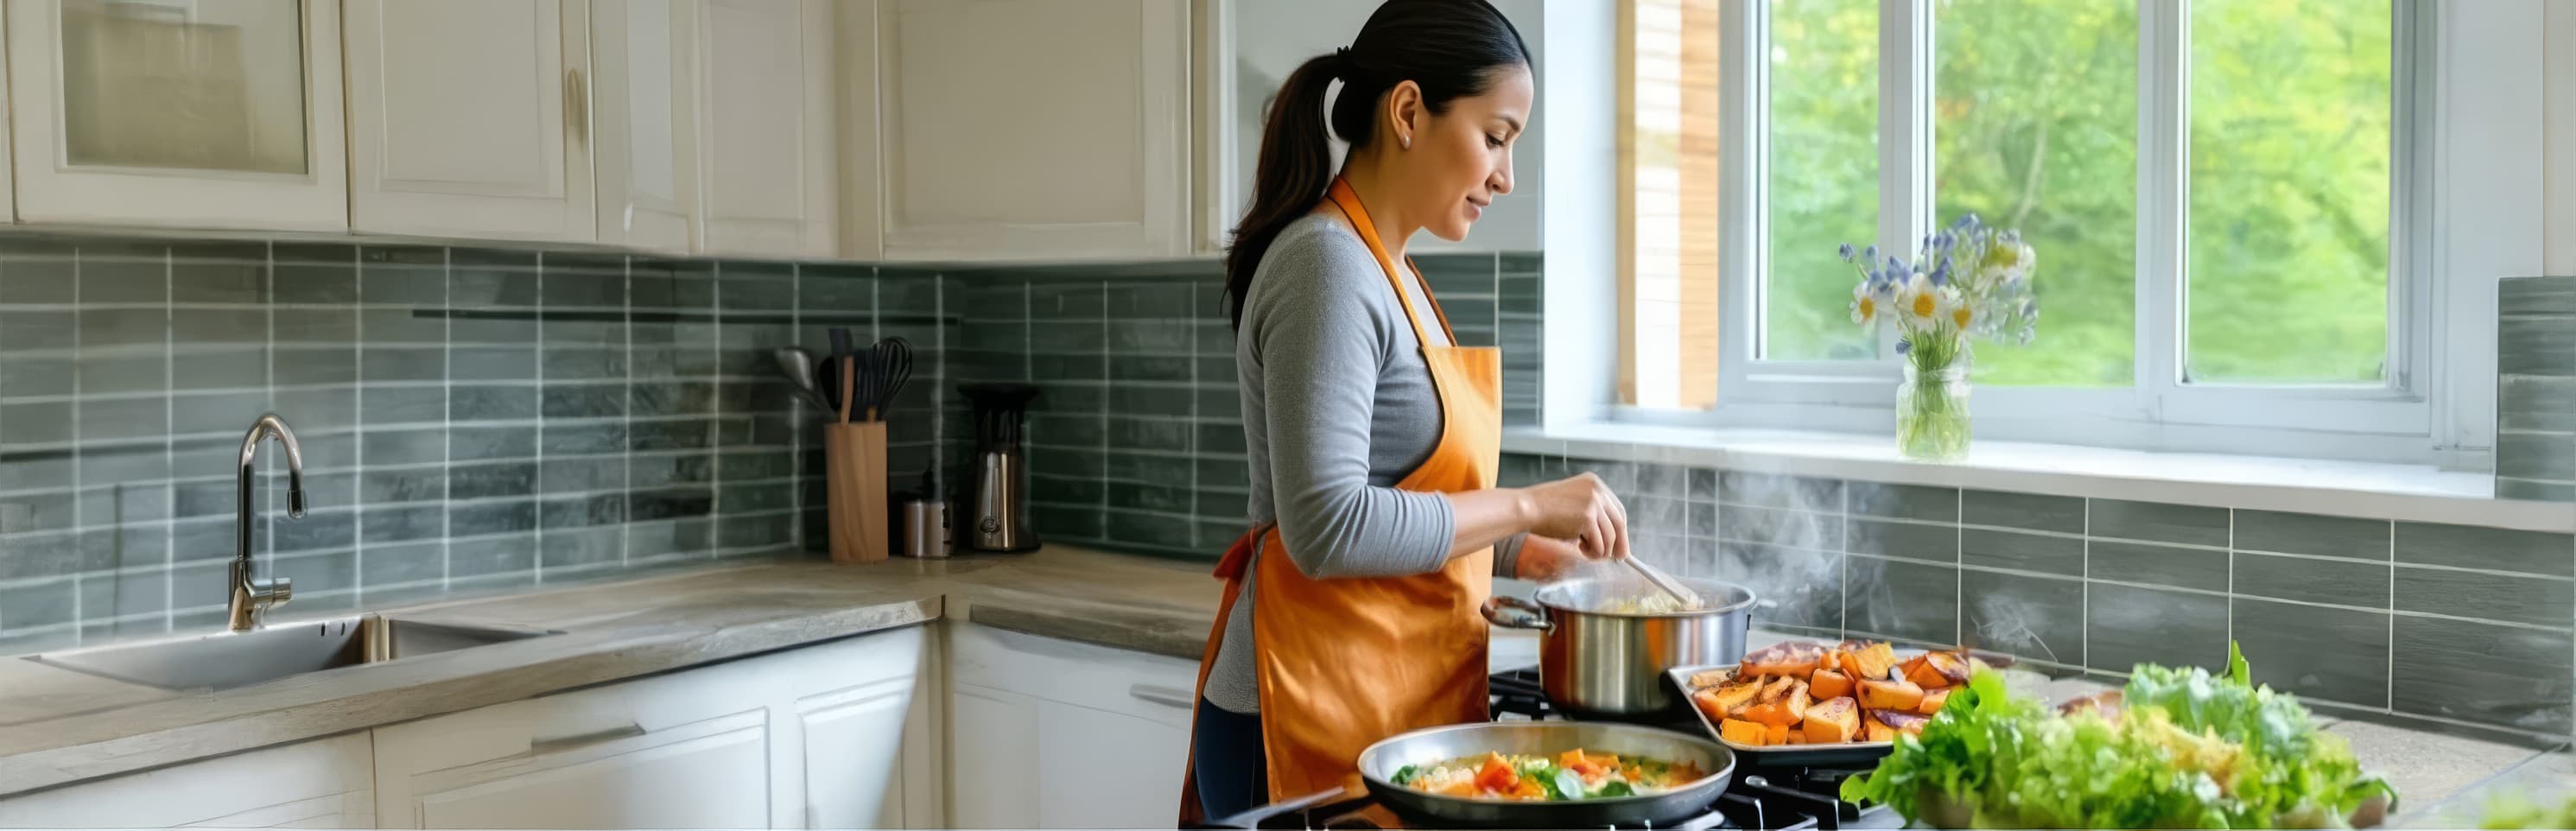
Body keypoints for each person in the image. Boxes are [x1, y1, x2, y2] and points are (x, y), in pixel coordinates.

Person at [1177, 1, 1634, 824]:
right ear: (1410, 112)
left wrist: (1524, 551)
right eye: (1495, 137)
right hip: (1295, 720)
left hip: (1383, 712)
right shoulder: (1326, 267)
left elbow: (1406, 492)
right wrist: (1527, 506)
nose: (1506, 176)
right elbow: (1328, 527)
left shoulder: (1392, 273)